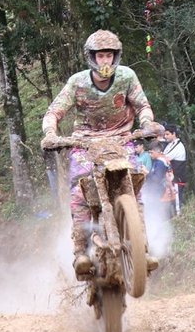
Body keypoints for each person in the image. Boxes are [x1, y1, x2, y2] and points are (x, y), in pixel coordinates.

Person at [39, 30, 158, 278]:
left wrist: (147, 125)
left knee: (134, 188)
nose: (105, 61)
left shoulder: (127, 76)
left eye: (109, 56)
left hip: (122, 140)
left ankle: (141, 247)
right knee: (79, 191)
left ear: (116, 57)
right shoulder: (77, 82)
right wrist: (50, 133)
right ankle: (80, 252)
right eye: (101, 56)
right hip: (84, 144)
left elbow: (142, 105)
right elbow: (55, 111)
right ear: (92, 57)